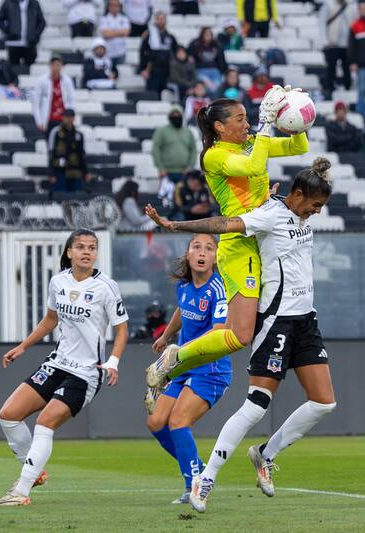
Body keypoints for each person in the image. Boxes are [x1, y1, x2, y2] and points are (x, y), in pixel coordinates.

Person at [144, 158, 337, 514]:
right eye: (314, 205)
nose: (316, 212)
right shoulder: (269, 215)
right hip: (275, 321)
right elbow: (222, 223)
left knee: (324, 402)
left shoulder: (293, 209)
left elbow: (299, 199)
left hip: (306, 320)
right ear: (297, 195)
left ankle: (265, 454)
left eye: (320, 206)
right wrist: (176, 225)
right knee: (257, 405)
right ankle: (207, 478)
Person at [144, 91, 309, 394]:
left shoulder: (248, 144)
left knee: (235, 331)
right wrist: (266, 124)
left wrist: (296, 114)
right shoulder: (214, 156)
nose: (247, 124)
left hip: (265, 242)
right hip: (239, 245)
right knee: (240, 335)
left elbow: (299, 146)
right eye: (240, 118)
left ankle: (174, 363)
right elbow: (252, 168)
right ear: (220, 127)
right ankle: (177, 357)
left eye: (248, 118)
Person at [0, 229, 129, 506]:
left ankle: (21, 490)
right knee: (8, 414)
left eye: (92, 247)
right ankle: (34, 470)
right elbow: (50, 320)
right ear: (69, 252)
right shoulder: (58, 282)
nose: (87, 252)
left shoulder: (106, 287)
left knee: (45, 421)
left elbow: (122, 330)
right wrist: (22, 347)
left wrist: (113, 361)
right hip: (57, 364)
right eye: (80, 247)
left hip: (87, 372)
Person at [146, 234, 231, 504]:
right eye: (197, 247)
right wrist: (166, 336)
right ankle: (197, 467)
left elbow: (218, 333)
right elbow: (182, 311)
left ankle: (194, 484)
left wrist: (179, 352)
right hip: (183, 366)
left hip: (210, 369)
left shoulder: (219, 288)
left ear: (216, 257)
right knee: (156, 423)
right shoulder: (184, 285)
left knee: (178, 422)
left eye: (209, 248)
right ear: (188, 254)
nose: (202, 252)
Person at [152, 105, 198, 195]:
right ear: (169, 117)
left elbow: (193, 150)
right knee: (167, 198)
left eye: (178, 114)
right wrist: (161, 168)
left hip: (184, 172)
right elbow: (156, 149)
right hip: (167, 172)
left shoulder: (188, 132)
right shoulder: (162, 132)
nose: (176, 117)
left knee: (183, 197)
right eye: (173, 115)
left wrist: (189, 167)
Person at [320, 0, 356, 98]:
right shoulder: (328, 4)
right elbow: (322, 22)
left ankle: (347, 87)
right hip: (332, 43)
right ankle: (329, 89)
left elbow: (354, 23)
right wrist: (325, 41)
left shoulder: (351, 4)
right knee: (331, 67)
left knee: (347, 68)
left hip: (347, 44)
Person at [48, 110, 90, 193]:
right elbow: (51, 153)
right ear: (63, 118)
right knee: (61, 195)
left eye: (71, 117)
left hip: (75, 170)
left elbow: (82, 155)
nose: (69, 119)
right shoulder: (55, 132)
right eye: (67, 117)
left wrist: (86, 172)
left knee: (76, 197)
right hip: (60, 170)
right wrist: (51, 173)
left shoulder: (79, 134)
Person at [32, 55, 76, 134]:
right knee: (50, 143)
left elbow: (72, 100)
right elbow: (36, 103)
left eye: (58, 64)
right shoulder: (42, 81)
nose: (56, 67)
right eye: (53, 64)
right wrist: (39, 121)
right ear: (50, 66)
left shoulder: (67, 80)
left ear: (62, 66)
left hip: (63, 119)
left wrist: (71, 118)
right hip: (48, 119)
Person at [139, 11, 179, 96]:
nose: (160, 21)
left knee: (165, 94)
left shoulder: (170, 37)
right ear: (155, 20)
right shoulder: (149, 36)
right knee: (152, 94)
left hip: (167, 71)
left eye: (162, 19)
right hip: (153, 70)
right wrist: (143, 69)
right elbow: (142, 52)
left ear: (165, 20)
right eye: (158, 19)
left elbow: (177, 52)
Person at [0, 0, 45, 66]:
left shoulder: (34, 3)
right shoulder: (8, 2)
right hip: (14, 44)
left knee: (30, 70)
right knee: (13, 69)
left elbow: (42, 22)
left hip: (30, 44)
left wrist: (35, 35)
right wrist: (9, 31)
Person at [188, 27, 227, 96]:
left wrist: (222, 71)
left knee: (216, 86)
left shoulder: (217, 45)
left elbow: (222, 61)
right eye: (206, 34)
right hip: (200, 70)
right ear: (202, 35)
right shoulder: (195, 44)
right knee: (207, 84)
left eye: (210, 34)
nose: (208, 36)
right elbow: (188, 54)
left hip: (214, 70)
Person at [99, 0, 130, 65]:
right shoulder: (104, 18)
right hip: (108, 52)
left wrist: (111, 32)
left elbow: (126, 32)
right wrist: (120, 32)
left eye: (116, 5)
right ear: (108, 6)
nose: (114, 7)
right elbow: (105, 34)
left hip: (121, 52)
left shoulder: (124, 18)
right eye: (112, 5)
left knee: (122, 73)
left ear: (119, 7)